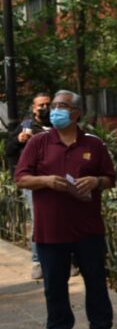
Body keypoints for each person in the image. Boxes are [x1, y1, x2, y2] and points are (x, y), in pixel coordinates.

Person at [14, 90, 117, 329]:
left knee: (95, 280)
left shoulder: (93, 144)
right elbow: (21, 177)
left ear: (76, 112)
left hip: (87, 227)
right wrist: (45, 181)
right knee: (54, 284)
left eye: (62, 105)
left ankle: (101, 327)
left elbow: (110, 178)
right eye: (55, 105)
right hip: (52, 227)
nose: (56, 109)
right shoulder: (38, 143)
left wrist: (96, 181)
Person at [5, 93, 51, 279]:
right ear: (33, 108)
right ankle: (38, 261)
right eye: (41, 105)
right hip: (33, 180)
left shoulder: (59, 126)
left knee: (61, 218)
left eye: (48, 104)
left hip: (57, 178)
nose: (45, 108)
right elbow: (8, 149)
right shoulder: (26, 126)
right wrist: (18, 140)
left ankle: (67, 259)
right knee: (38, 219)